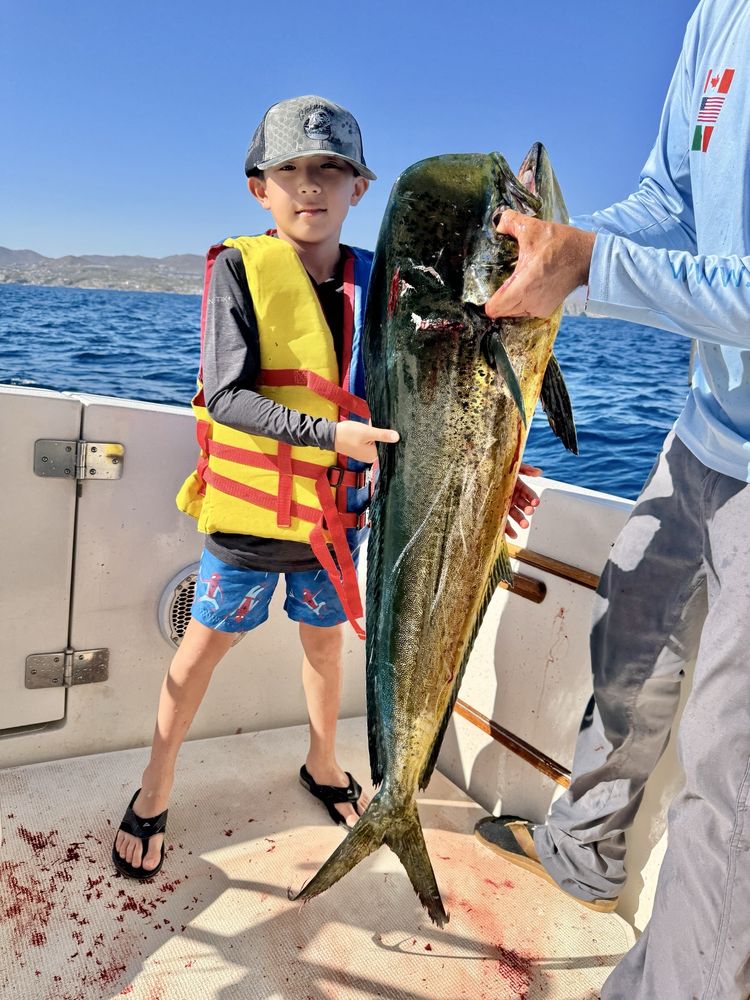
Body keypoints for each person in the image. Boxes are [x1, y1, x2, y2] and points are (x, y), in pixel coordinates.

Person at [109, 91, 547, 884]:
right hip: (245, 528)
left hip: (337, 529)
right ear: (260, 188)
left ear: (360, 189)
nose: (311, 187)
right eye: (293, 171)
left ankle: (322, 763)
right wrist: (327, 436)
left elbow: (417, 400)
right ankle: (155, 784)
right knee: (198, 656)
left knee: (323, 652)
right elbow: (229, 395)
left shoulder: (386, 285)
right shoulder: (240, 269)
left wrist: (490, 465)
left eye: (332, 170)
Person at [474, 2, 750, 998]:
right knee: (630, 610)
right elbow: (669, 200)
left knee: (731, 763)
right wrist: (553, 249)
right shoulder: (714, 18)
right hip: (712, 421)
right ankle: (583, 849)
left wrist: (592, 266)